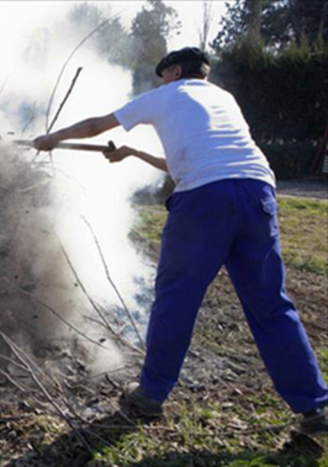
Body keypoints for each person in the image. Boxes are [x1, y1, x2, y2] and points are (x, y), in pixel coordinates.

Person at [32, 47, 327, 436]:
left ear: (173, 71)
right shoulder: (224, 99)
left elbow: (97, 125)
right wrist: (134, 152)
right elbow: (190, 160)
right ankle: (315, 408)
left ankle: (151, 395)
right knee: (271, 305)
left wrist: (52, 138)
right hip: (257, 194)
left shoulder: (167, 94)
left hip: (204, 202)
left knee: (177, 298)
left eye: (163, 75)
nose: (161, 82)